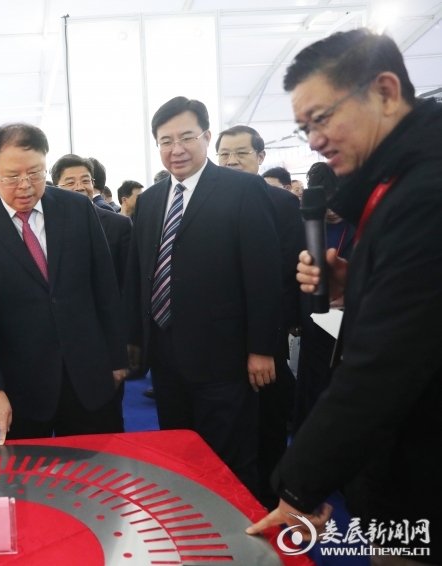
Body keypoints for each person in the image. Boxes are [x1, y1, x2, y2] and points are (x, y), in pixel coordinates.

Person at [248, 30, 442, 565]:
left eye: (322, 118)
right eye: (304, 128)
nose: (313, 140)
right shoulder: (395, 180)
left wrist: (297, 485)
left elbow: (385, 365)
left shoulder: (427, 191)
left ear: (385, 92)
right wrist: (353, 287)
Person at [124, 97, 282, 495]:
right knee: (180, 456)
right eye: (165, 141)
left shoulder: (243, 189)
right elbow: (140, 274)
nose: (176, 149)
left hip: (225, 357)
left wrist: (262, 348)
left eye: (186, 137)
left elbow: (264, 275)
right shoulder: (150, 201)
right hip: (165, 356)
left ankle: (241, 531)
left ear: (207, 137)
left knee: (229, 460)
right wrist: (135, 339)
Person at [0, 123, 128, 447]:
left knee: (100, 470)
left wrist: (117, 359)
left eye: (35, 173)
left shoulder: (78, 209)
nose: (25, 186)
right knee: (26, 476)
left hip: (89, 377)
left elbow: (104, 286)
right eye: (11, 176)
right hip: (18, 389)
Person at [216, 124, 306, 508]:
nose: (232, 161)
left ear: (260, 157)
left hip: (266, 331)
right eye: (224, 154)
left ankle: (270, 495)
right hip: (218, 333)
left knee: (268, 416)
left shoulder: (281, 203)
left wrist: (273, 333)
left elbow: (284, 271)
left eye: (241, 153)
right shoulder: (206, 200)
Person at [293, 161, 356, 431]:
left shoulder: (362, 226)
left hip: (350, 327)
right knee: (312, 391)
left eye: (335, 200)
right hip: (313, 325)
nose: (330, 209)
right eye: (325, 201)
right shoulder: (304, 227)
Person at [50, 154, 132, 292]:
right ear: (56, 188)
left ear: (93, 184)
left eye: (85, 180)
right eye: (70, 183)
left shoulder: (119, 225)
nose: (79, 187)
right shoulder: (47, 225)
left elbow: (130, 281)